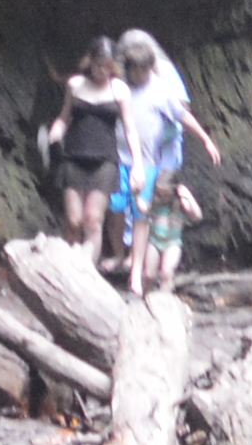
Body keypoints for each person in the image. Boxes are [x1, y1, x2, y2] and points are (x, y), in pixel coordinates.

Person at [107, 28, 201, 295]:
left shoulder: (164, 73)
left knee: (154, 205)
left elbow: (182, 108)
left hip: (164, 149)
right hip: (132, 154)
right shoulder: (124, 77)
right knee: (124, 203)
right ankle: (126, 255)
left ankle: (156, 264)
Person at [36, 50, 126, 259]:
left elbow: (129, 128)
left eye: (106, 66)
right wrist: (56, 131)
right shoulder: (76, 84)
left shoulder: (119, 89)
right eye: (98, 65)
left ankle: (87, 272)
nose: (102, 70)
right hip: (75, 157)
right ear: (90, 63)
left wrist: (138, 165)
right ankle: (68, 268)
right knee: (74, 220)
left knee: (92, 219)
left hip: (105, 160)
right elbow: (64, 117)